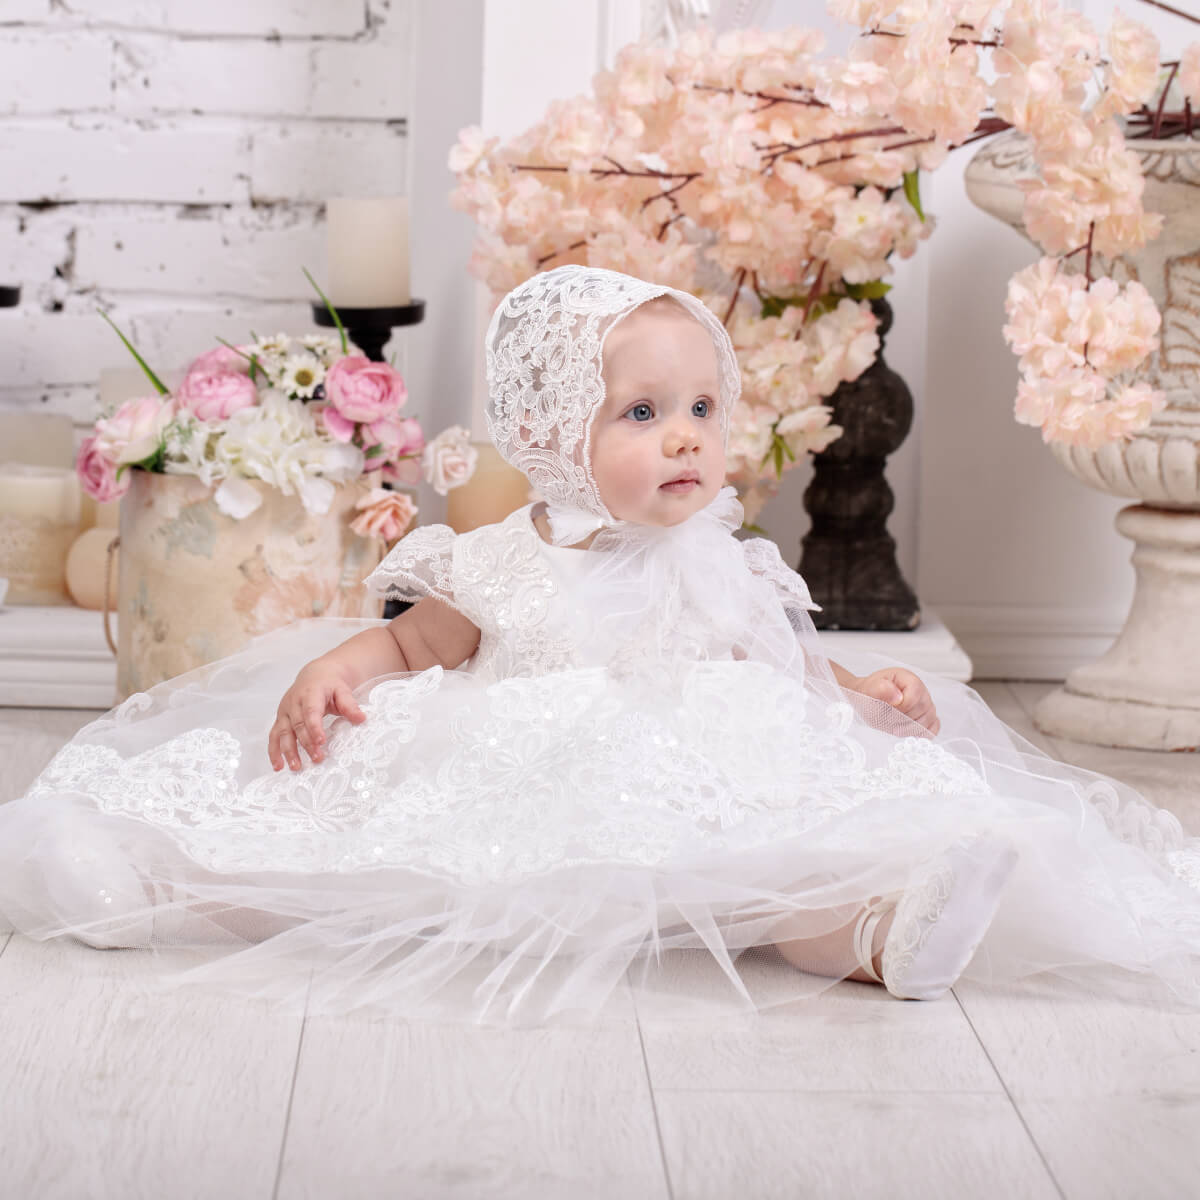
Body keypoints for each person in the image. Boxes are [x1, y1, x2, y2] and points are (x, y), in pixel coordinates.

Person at [1, 265, 1197, 1026]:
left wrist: (859, 688)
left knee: (772, 864)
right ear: (556, 431)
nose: (684, 438)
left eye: (702, 409)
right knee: (356, 855)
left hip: (696, 778)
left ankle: (889, 926)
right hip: (530, 780)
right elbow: (418, 647)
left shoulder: (722, 557)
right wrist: (336, 667)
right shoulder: (515, 557)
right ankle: (159, 875)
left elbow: (768, 659)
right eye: (642, 414)